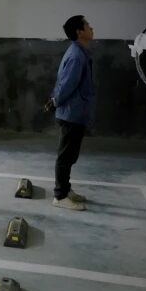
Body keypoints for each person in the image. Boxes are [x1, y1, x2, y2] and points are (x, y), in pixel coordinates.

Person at [49, 14, 95, 212]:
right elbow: (67, 84)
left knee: (70, 155)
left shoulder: (79, 51)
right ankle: (59, 196)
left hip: (75, 112)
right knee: (65, 156)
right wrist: (55, 101)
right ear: (79, 31)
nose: (91, 28)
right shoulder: (76, 55)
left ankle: (66, 190)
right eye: (88, 25)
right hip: (70, 113)